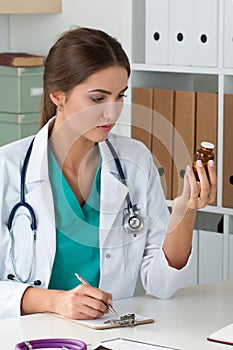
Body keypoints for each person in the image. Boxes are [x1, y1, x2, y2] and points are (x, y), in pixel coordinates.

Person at [0, 27, 216, 320]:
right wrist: (56, 302)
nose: (112, 113)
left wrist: (185, 211)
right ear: (58, 95)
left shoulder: (135, 160)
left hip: (108, 336)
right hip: (30, 337)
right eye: (98, 99)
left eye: (120, 96)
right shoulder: (8, 169)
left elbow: (161, 285)